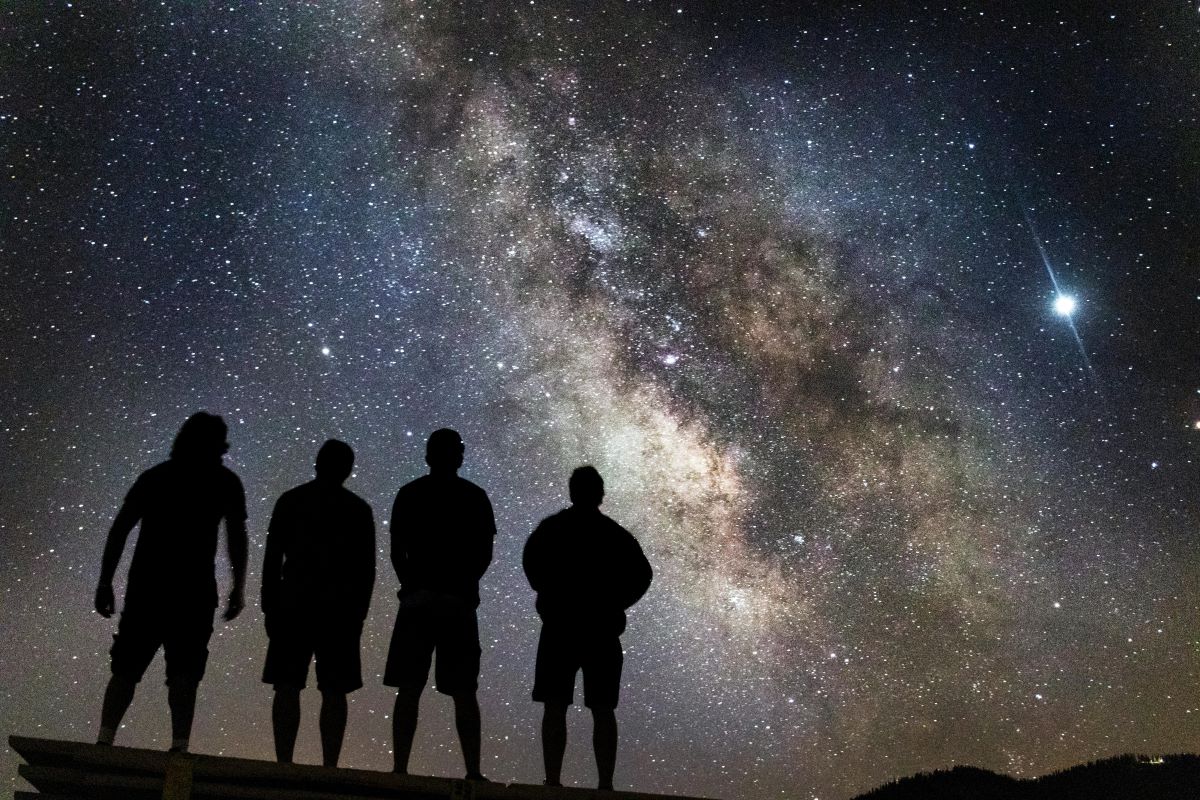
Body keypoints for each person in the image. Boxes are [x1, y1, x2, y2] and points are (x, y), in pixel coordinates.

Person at [93, 412, 248, 753]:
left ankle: (105, 739)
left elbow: (120, 529)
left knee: (127, 667)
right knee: (184, 671)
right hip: (193, 592)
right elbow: (236, 537)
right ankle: (179, 745)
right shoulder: (225, 483)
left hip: (148, 587)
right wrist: (238, 586)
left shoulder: (156, 478)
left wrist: (106, 581)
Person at [523, 466, 652, 791]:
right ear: (601, 494)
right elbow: (643, 575)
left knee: (557, 706)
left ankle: (553, 780)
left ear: (572, 491)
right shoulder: (616, 535)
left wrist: (548, 597)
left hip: (561, 628)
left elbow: (530, 561)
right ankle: (604, 784)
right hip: (600, 631)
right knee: (602, 709)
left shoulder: (551, 529)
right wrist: (616, 603)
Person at [383, 428, 495, 780]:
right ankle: (471, 771)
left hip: (423, 603)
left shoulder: (411, 494)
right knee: (461, 690)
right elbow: (482, 554)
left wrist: (414, 588)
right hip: (454, 605)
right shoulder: (474, 497)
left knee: (412, 687)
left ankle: (401, 768)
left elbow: (397, 551)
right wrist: (458, 591)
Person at [260, 439, 375, 767]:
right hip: (338, 611)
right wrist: (359, 615)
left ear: (317, 463)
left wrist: (270, 604)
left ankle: (285, 761)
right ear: (348, 470)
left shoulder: (292, 501)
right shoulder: (357, 510)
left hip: (294, 604)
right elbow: (366, 570)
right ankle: (329, 765)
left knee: (288, 685)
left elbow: (272, 558)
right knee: (333, 690)